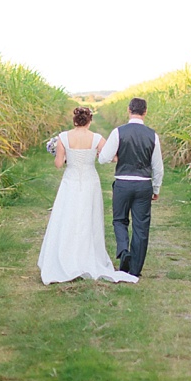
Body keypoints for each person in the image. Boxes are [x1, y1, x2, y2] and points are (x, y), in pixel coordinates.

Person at [37, 106, 139, 285]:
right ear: (90, 121)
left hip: (70, 181)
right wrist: (98, 153)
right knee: (88, 218)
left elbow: (58, 164)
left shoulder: (63, 137)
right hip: (90, 182)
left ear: (74, 120)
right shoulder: (97, 138)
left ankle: (64, 257)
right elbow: (113, 157)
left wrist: (61, 154)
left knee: (67, 217)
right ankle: (87, 256)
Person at [97, 97, 164, 277]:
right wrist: (156, 188)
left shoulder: (118, 132)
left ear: (129, 110)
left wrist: (116, 156)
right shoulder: (153, 135)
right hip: (143, 184)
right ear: (145, 112)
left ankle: (123, 251)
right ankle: (134, 269)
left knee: (119, 220)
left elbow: (103, 158)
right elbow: (158, 166)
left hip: (122, 183)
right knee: (141, 226)